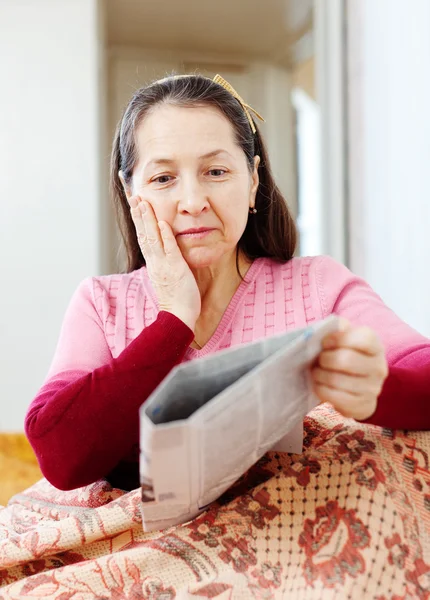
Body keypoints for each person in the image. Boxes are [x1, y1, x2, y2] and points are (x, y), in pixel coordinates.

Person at [25, 74, 430, 493]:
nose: (193, 201)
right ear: (132, 195)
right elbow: (59, 457)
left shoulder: (317, 285)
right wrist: (174, 320)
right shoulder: (101, 303)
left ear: (253, 181)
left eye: (216, 171)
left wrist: (376, 390)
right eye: (163, 179)